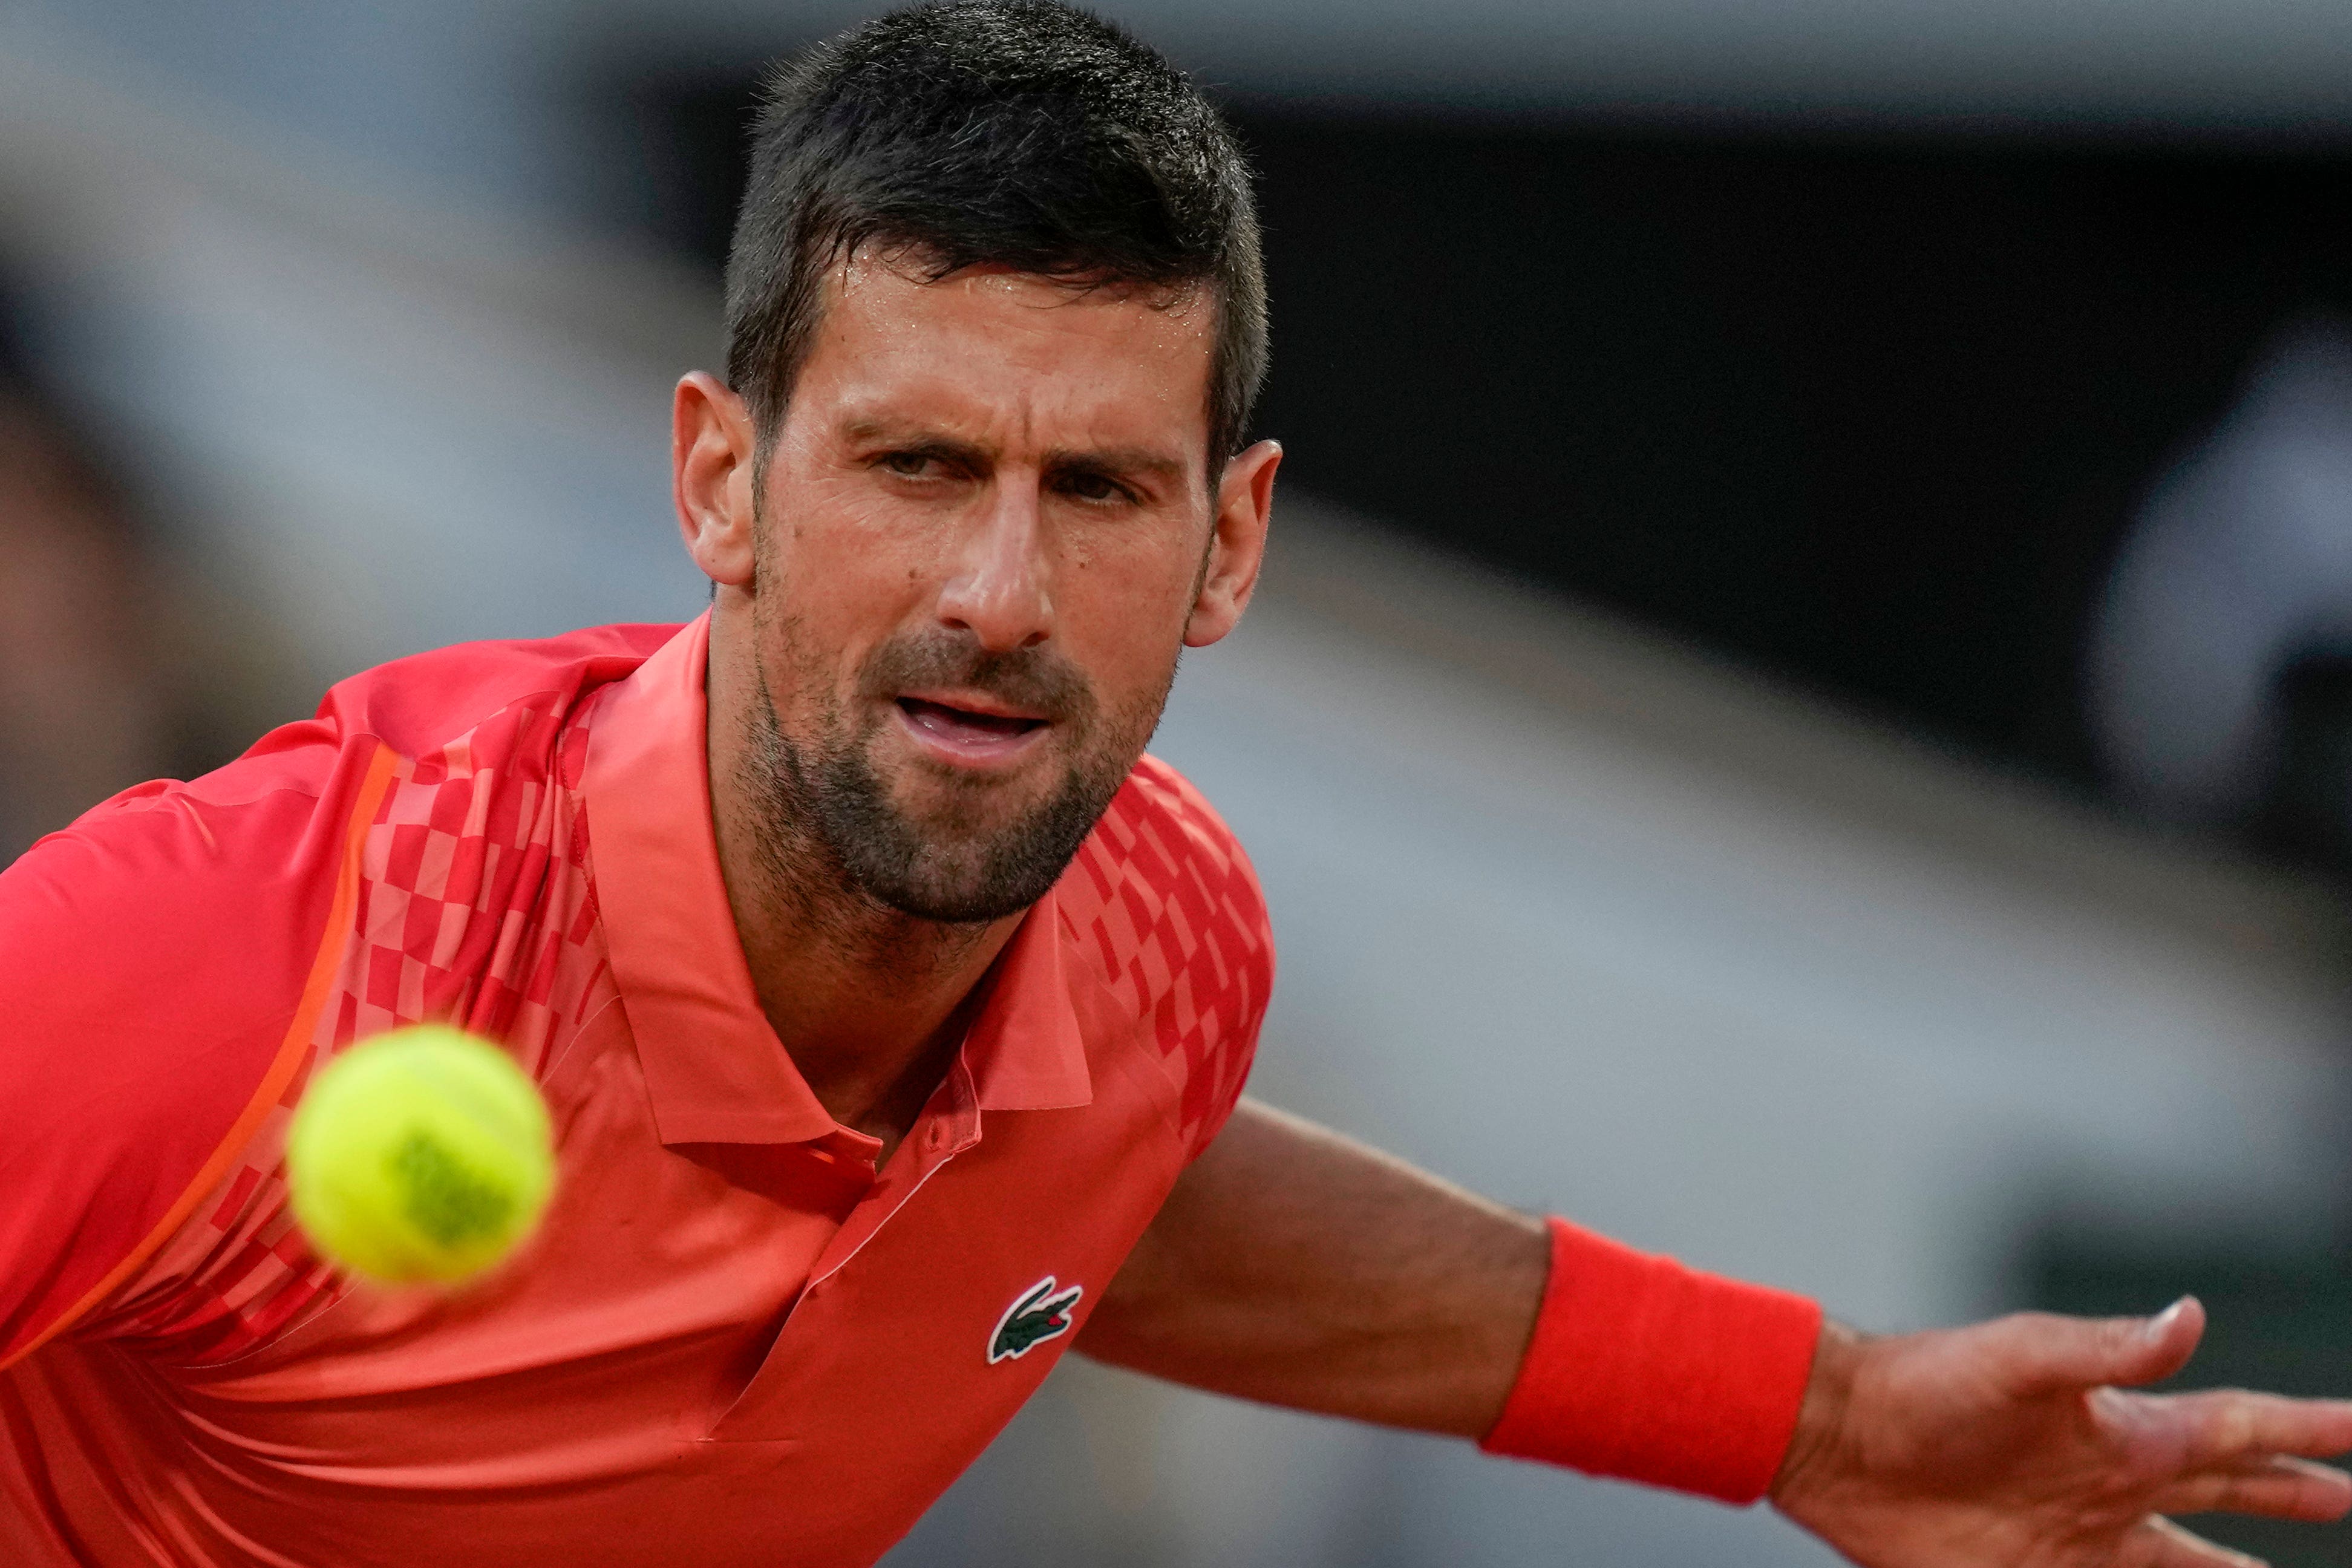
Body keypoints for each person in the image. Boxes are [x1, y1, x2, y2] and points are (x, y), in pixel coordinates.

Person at [3, 5, 2348, 1564]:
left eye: (1102, 493)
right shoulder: (248, 951)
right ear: (718, 487)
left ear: (1228, 544)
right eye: (913, 464)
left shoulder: (1163, 938)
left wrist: (1808, 1415)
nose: (1000, 593)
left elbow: (1106, 1208)